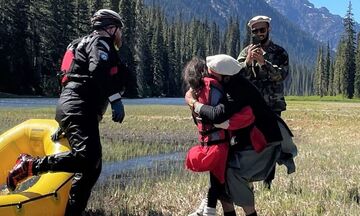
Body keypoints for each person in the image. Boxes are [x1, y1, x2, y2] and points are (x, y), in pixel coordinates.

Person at [7, 9, 127, 216]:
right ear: (110, 28)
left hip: (72, 106)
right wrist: (115, 99)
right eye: (119, 30)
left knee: (92, 167)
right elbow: (97, 70)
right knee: (88, 159)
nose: (120, 35)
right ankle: (31, 166)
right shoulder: (100, 43)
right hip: (78, 106)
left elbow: (69, 77)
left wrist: (66, 123)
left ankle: (71, 211)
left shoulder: (81, 43)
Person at [185, 55, 297, 216]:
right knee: (224, 173)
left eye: (212, 72)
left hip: (264, 140)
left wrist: (194, 103)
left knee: (232, 173)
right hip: (252, 137)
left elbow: (218, 115)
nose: (208, 74)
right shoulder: (233, 82)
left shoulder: (235, 89)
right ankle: (212, 206)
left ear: (225, 76)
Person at [237, 15, 290, 189]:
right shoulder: (245, 52)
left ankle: (268, 183)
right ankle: (248, 182)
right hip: (250, 108)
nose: (259, 33)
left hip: (272, 107)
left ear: (268, 29)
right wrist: (248, 62)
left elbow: (281, 76)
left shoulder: (280, 53)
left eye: (262, 30)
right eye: (255, 31)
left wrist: (263, 63)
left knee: (272, 146)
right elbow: (236, 78)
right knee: (248, 144)